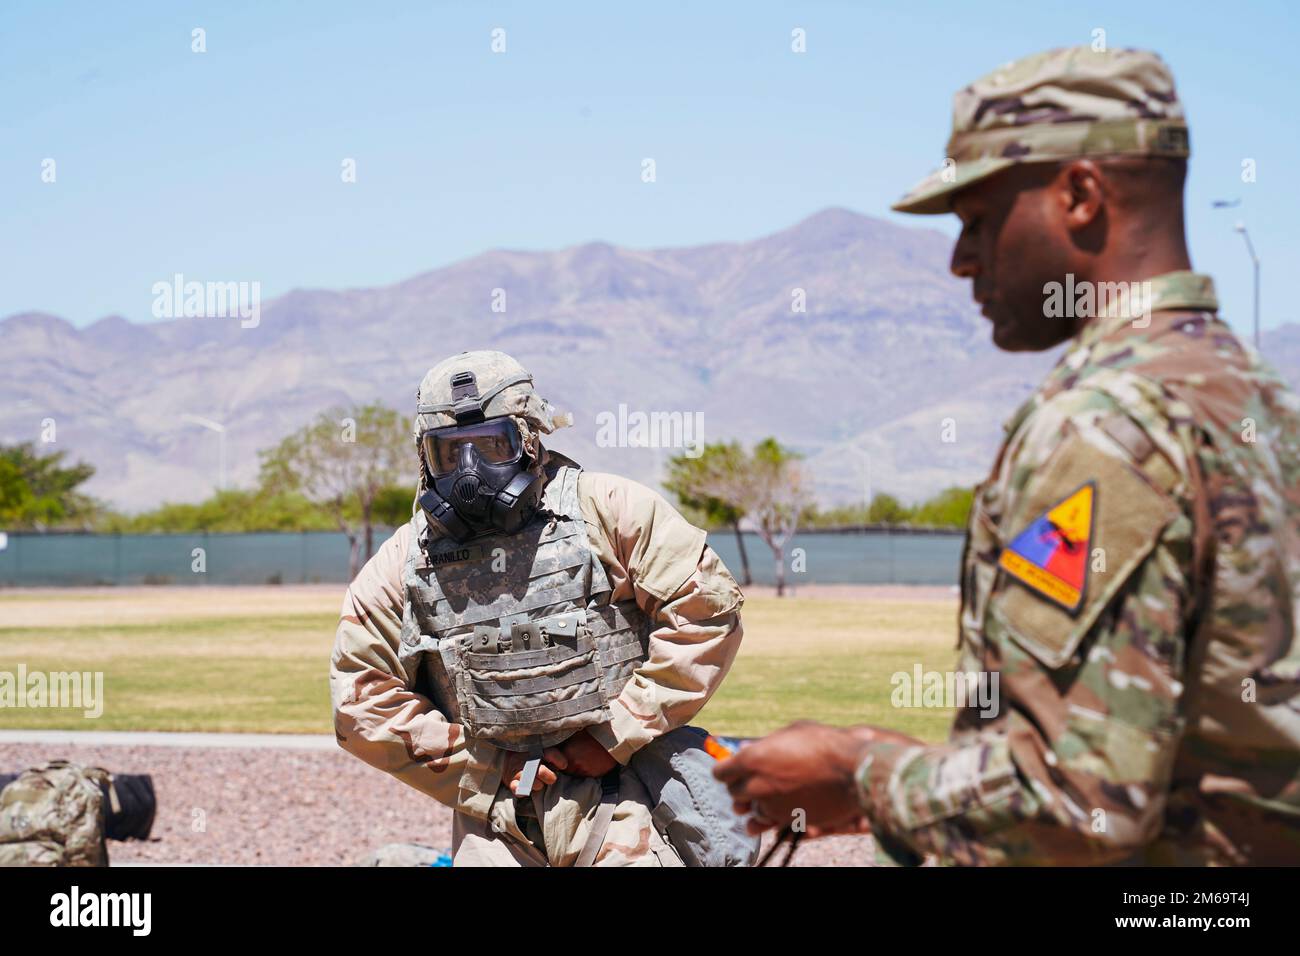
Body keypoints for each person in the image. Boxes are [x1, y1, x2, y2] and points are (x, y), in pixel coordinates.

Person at [715, 45, 1300, 865]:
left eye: (979, 219)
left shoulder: (1105, 425)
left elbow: (1073, 807)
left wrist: (859, 770)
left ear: (1081, 196)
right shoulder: (1260, 399)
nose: (960, 260)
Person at [331, 350, 754, 866]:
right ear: (425, 456)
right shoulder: (404, 561)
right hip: (496, 819)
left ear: (530, 438)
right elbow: (360, 701)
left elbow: (706, 611)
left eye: (490, 445)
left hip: (625, 799)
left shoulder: (610, 510)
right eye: (449, 453)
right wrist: (487, 767)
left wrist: (615, 734)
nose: (470, 472)